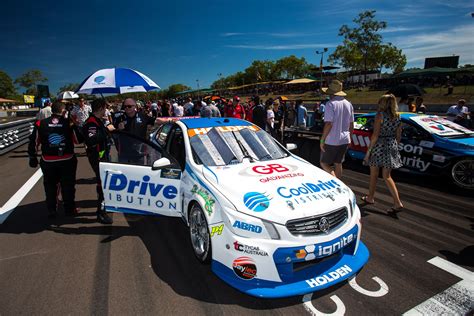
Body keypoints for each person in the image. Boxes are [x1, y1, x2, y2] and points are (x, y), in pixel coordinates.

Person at [28, 101, 81, 218]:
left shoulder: (40, 123)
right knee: (68, 186)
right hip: (67, 160)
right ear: (63, 112)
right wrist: (74, 124)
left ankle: (52, 210)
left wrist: (32, 157)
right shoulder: (68, 123)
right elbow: (78, 140)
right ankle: (69, 210)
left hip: (48, 161)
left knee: (50, 186)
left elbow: (33, 142)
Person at [362, 94, 404, 212]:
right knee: (387, 176)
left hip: (379, 146)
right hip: (391, 145)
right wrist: (394, 147)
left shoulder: (379, 115)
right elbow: (398, 136)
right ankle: (397, 202)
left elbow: (375, 135)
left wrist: (368, 152)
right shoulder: (397, 116)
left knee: (374, 174)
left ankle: (370, 198)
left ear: (383, 103)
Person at [83, 99, 115, 224]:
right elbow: (91, 140)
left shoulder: (97, 121)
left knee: (103, 183)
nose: (106, 110)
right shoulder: (91, 123)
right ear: (101, 108)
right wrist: (107, 130)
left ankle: (104, 207)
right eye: (105, 108)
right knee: (102, 184)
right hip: (97, 157)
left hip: (102, 155)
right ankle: (101, 213)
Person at [319, 80, 354, 179]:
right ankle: (340, 183)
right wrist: (350, 138)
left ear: (331, 93)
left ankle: (334, 179)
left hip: (332, 140)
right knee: (338, 163)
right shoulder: (349, 104)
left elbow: (329, 124)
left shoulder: (330, 104)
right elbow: (351, 124)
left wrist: (322, 140)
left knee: (323, 163)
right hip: (345, 139)